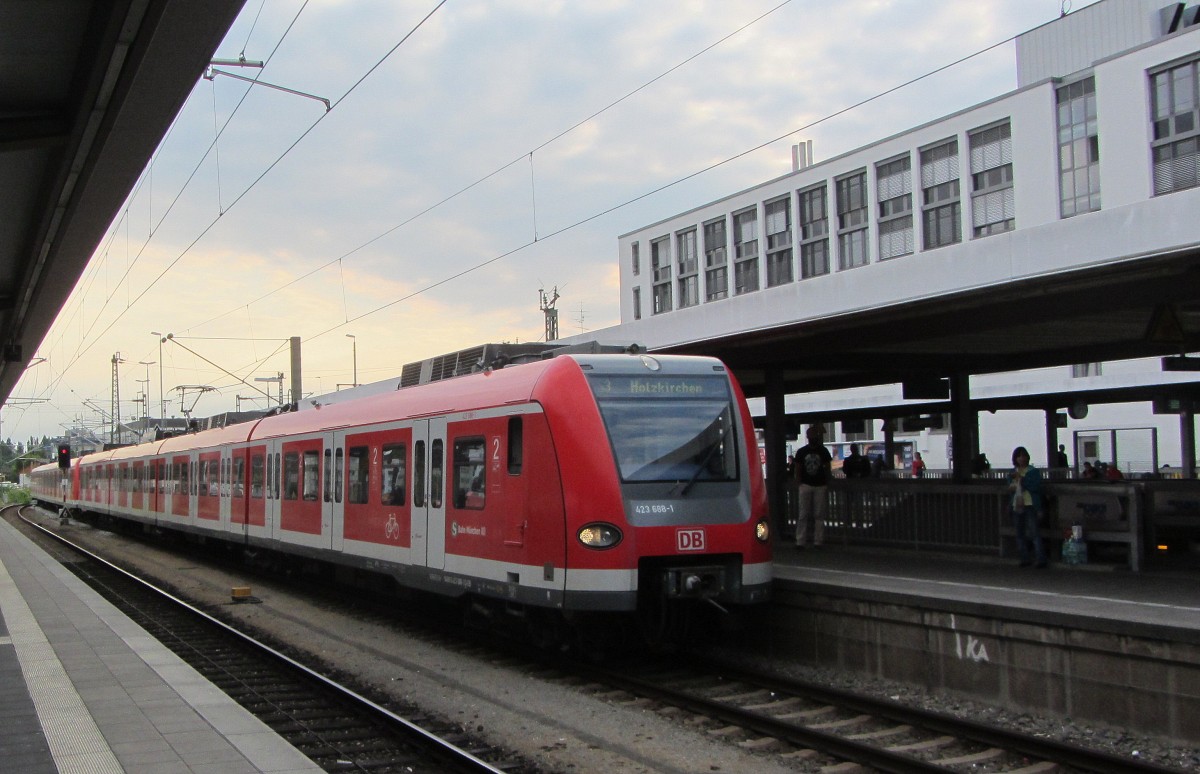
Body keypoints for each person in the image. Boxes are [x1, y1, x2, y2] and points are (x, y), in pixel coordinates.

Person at [793, 425, 832, 549]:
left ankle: (808, 541)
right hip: (812, 484)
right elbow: (827, 468)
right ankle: (808, 541)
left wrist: (799, 481)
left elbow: (798, 468)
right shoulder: (821, 451)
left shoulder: (804, 452)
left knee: (813, 514)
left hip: (814, 485)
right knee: (808, 514)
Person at [1008, 445, 1046, 568]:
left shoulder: (1033, 471)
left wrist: (1022, 480)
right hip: (1016, 504)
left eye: (1024, 456)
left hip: (1030, 504)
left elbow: (1035, 487)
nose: (1021, 458)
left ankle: (1041, 559)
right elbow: (1010, 487)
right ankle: (1024, 558)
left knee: (1034, 532)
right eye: (1019, 456)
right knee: (1019, 532)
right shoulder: (1013, 472)